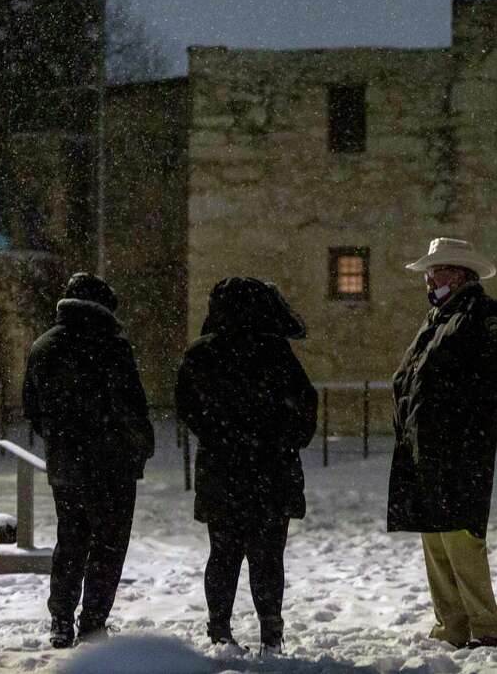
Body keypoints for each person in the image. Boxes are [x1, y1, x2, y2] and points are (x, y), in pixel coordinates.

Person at [174, 277, 316, 655]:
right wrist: (278, 439)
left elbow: (189, 408)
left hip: (223, 472)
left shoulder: (202, 353)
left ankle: (220, 628)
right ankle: (270, 631)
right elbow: (305, 410)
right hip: (271, 473)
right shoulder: (276, 352)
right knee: (267, 556)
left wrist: (223, 436)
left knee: (223, 555)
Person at [388, 238, 497, 649]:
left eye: (436, 271)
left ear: (458, 274)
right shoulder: (439, 316)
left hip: (459, 448)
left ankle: (485, 628)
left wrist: (451, 417)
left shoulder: (481, 314)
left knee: (461, 538)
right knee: (435, 536)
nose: (429, 279)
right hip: (426, 447)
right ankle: (451, 625)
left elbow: (491, 377)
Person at [22, 272, 155, 648]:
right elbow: (131, 405)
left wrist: (62, 438)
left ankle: (61, 619)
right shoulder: (113, 347)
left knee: (71, 541)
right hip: (112, 466)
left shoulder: (43, 347)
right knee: (108, 547)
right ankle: (93, 622)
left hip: (67, 464)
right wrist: (139, 445)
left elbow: (32, 408)